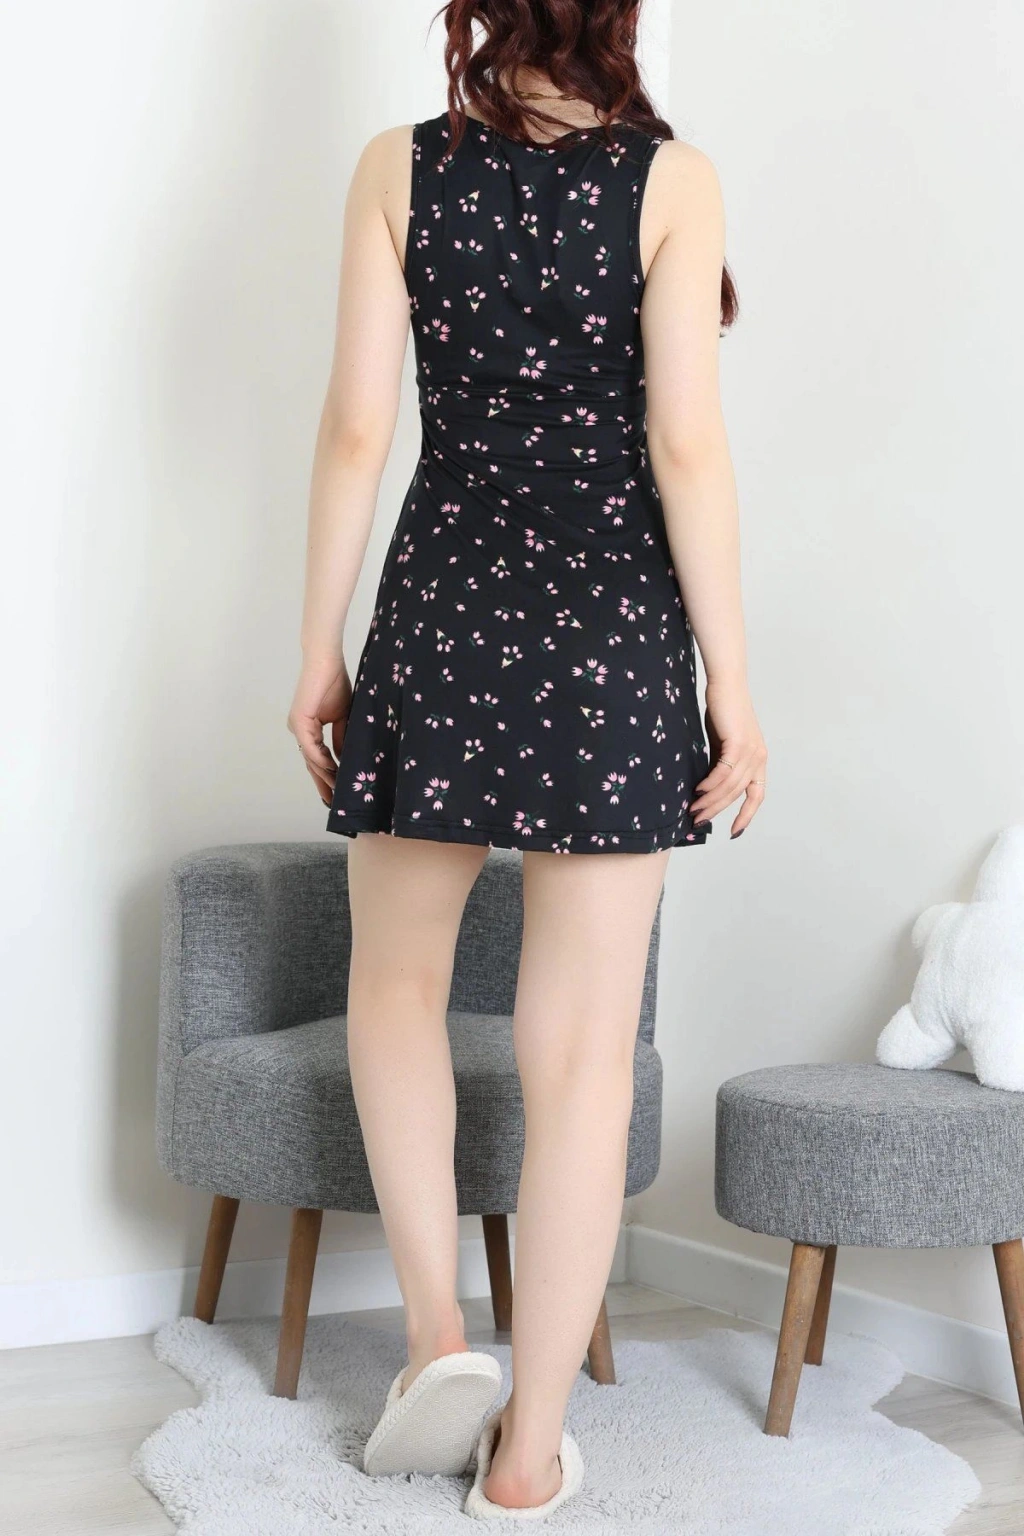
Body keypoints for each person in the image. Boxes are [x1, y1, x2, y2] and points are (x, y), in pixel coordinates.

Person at [288, 0, 767, 1518]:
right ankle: (529, 1450)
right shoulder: (672, 182)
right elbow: (685, 447)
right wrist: (734, 686)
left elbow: (357, 428)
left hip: (441, 612)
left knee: (394, 987)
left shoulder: (399, 166)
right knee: (582, 1052)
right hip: (612, 631)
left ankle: (438, 1339)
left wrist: (319, 647)